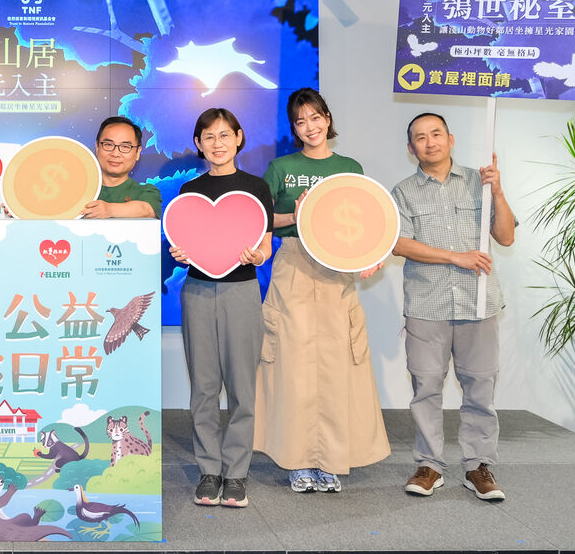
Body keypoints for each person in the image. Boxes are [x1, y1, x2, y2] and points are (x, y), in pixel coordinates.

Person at [253, 88, 390, 493]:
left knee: (335, 366)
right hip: (293, 264)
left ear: (327, 119)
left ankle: (330, 460)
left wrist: (372, 255)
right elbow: (259, 218)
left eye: (315, 117)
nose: (309, 127)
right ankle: (297, 461)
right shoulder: (281, 167)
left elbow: (365, 220)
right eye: (300, 121)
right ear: (294, 128)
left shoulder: (349, 168)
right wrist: (295, 214)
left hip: (336, 270)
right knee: (293, 366)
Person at [391, 112, 515, 501]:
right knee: (426, 386)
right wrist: (454, 257)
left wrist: (498, 192)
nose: (430, 142)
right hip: (426, 303)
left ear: (451, 139)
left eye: (436, 134)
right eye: (420, 138)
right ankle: (429, 465)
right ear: (411, 148)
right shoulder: (403, 192)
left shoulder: (481, 182)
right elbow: (399, 243)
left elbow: (506, 237)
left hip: (479, 301)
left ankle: (478, 466)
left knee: (479, 384)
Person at [170, 108, 273, 508]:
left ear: (239, 137)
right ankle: (209, 470)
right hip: (197, 291)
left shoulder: (256, 188)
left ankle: (236, 474)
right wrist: (180, 254)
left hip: (241, 293)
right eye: (209, 136)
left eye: (224, 135)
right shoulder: (189, 191)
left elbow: (264, 245)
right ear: (198, 143)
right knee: (204, 386)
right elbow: (186, 239)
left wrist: (258, 256)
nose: (217, 143)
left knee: (243, 388)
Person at [80, 116, 161, 218]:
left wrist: (109, 210)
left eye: (125, 147)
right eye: (108, 145)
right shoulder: (76, 190)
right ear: (97, 147)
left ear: (137, 153)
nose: (115, 154)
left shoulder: (146, 192)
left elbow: (147, 210)